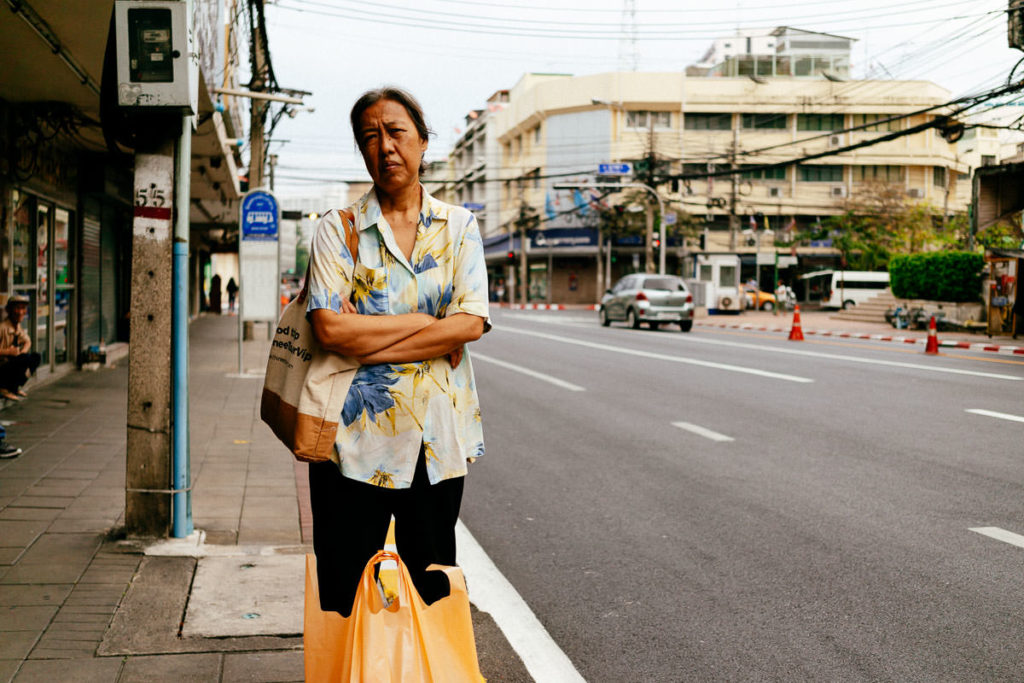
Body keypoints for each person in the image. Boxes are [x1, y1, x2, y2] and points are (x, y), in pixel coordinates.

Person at [305, 87, 489, 617]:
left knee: (432, 590)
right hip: (350, 445)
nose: (384, 146)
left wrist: (371, 333)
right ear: (362, 152)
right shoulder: (335, 232)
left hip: (435, 442)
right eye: (370, 136)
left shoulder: (459, 227)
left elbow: (471, 322)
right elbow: (330, 332)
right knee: (343, 594)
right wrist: (429, 326)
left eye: (396, 132)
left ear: (423, 142)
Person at [0, 295, 41, 401]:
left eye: (23, 308)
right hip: (1, 366)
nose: (20, 312)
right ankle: (3, 388)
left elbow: (27, 341)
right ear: (9, 310)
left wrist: (21, 353)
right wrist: (8, 352)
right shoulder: (2, 327)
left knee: (35, 357)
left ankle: (14, 387)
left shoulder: (17, 326)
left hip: (9, 364)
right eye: (17, 308)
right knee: (23, 359)